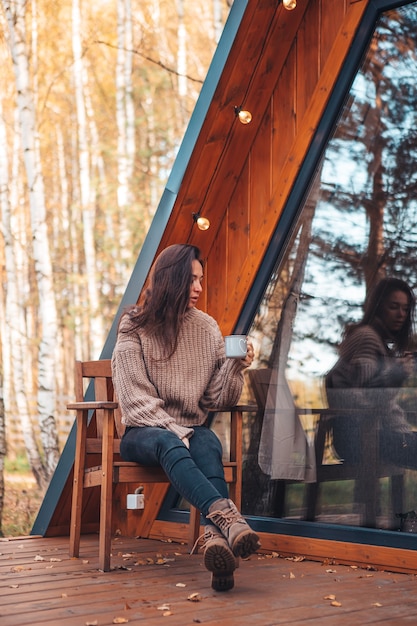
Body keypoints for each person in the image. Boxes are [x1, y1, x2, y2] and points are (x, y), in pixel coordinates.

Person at [111, 243, 260, 592]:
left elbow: (214, 398)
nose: (198, 288)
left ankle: (216, 542)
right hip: (144, 433)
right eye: (192, 280)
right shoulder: (134, 325)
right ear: (171, 280)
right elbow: (134, 399)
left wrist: (235, 366)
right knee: (173, 438)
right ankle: (227, 518)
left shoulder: (207, 328)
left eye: (201, 280)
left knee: (207, 439)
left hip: (190, 430)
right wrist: (175, 429)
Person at [325, 277, 417, 468]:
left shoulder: (378, 341)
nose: (401, 314)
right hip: (358, 438)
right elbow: (364, 399)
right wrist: (397, 374)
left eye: (405, 309)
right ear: (379, 307)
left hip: (370, 434)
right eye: (394, 306)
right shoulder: (367, 337)